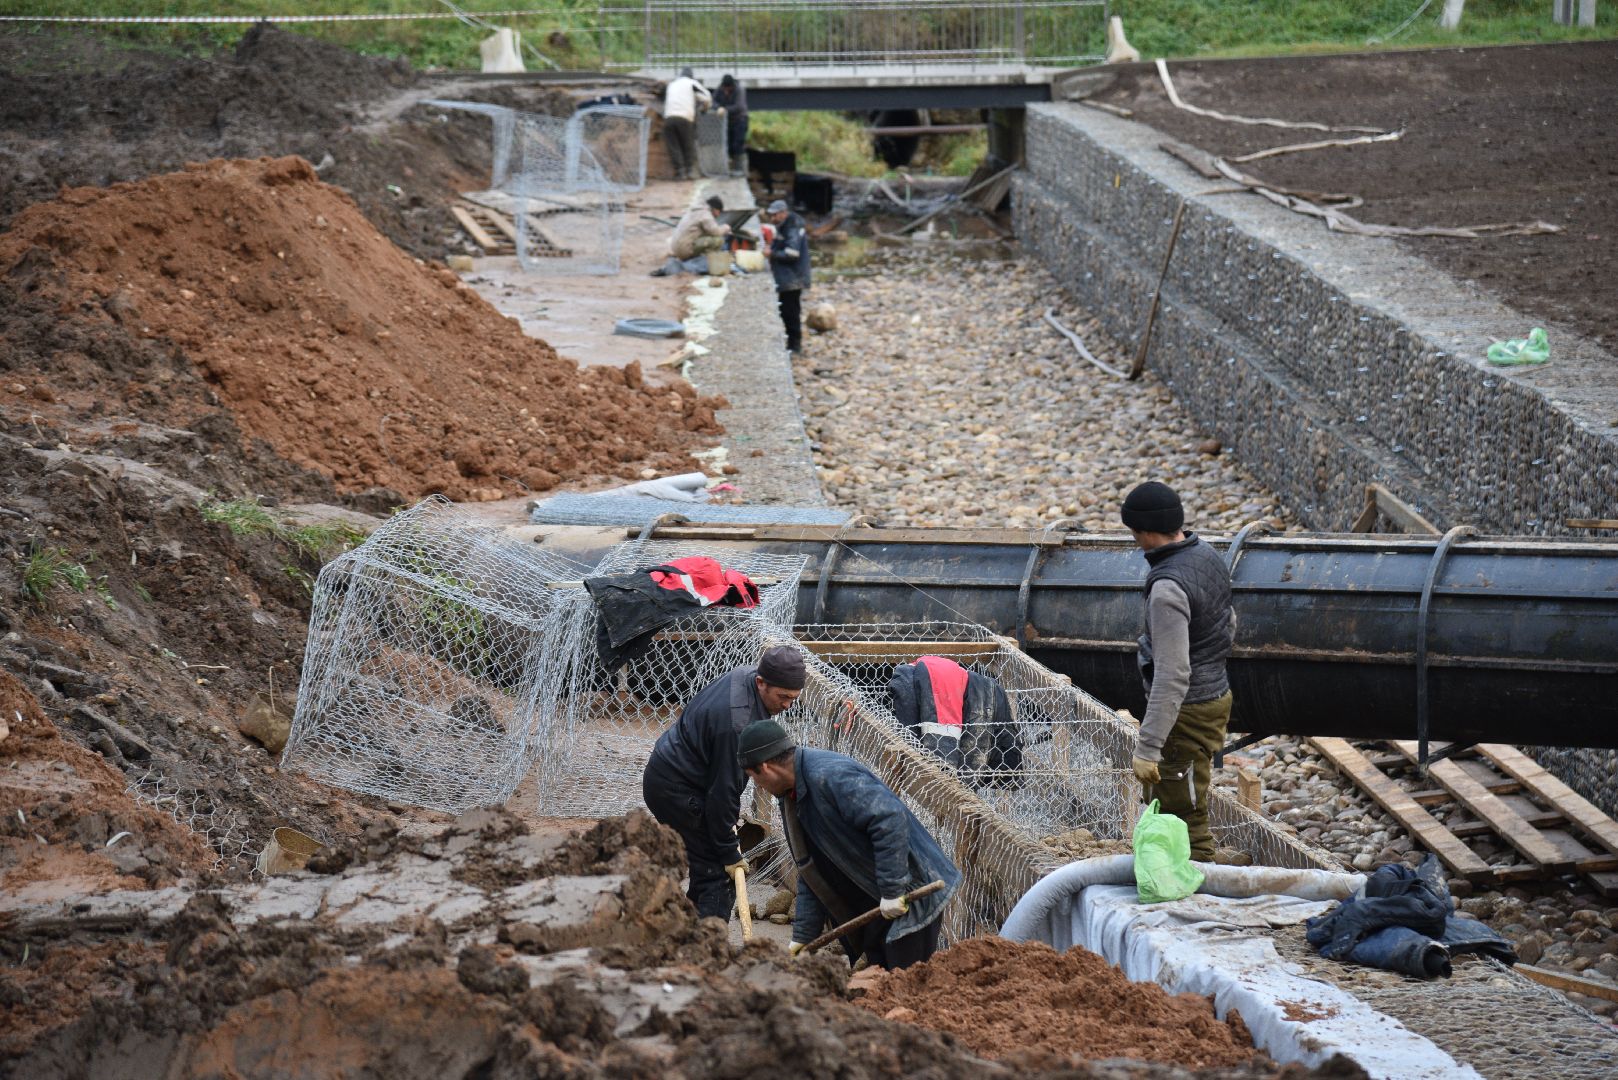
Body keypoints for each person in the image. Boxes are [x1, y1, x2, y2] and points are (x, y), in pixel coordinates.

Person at [740, 719, 961, 970]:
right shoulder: (792, 796)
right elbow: (811, 870)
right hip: (873, 899)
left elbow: (889, 820)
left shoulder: (830, 776)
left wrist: (892, 890)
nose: (758, 786)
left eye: (754, 778)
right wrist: (803, 937)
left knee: (905, 983)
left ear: (766, 768)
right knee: (879, 982)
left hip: (910, 892)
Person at [641, 646, 805, 920]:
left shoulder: (746, 676)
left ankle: (689, 929)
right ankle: (708, 948)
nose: (788, 705)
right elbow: (723, 793)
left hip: (673, 773)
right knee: (718, 874)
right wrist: (729, 851)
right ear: (761, 683)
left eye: (794, 698)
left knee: (706, 864)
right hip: (677, 789)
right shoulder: (738, 726)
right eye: (783, 697)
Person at [1121, 481, 1235, 862]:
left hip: (1186, 710)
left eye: (1135, 534)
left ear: (1146, 532)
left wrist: (1149, 747)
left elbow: (1172, 674)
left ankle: (1192, 886)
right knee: (1192, 791)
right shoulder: (1205, 555)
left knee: (1180, 811)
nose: (1135, 542)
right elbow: (1227, 623)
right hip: (1216, 694)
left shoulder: (1168, 588)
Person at [886, 654, 1021, 781]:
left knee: (959, 772)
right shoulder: (914, 677)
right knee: (961, 774)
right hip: (976, 693)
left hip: (978, 697)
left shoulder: (912, 676)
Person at [766, 199, 811, 354]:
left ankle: (795, 345)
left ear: (784, 213)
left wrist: (772, 253)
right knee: (786, 310)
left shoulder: (792, 226)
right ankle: (792, 342)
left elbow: (792, 253)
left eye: (775, 215)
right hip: (787, 276)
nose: (772, 219)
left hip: (793, 277)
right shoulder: (784, 225)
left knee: (791, 311)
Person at [662, 66, 710, 181]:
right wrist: (704, 109)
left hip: (669, 118)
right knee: (688, 145)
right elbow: (706, 97)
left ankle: (680, 172)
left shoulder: (672, 84)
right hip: (685, 118)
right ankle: (690, 171)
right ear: (691, 76)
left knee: (674, 146)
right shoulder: (692, 83)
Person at [668, 195, 731, 261]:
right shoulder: (705, 215)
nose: (718, 215)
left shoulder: (695, 210)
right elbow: (716, 232)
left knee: (709, 236)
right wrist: (726, 227)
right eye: (719, 212)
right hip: (684, 251)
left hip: (676, 249)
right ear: (715, 209)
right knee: (718, 240)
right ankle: (706, 261)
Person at [712, 74, 749, 176]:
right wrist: (718, 107)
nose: (726, 90)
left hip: (740, 120)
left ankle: (740, 169)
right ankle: (730, 168)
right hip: (727, 122)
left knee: (738, 143)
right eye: (725, 88)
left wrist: (725, 109)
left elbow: (739, 106)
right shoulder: (720, 89)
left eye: (728, 88)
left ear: (732, 86)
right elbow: (713, 101)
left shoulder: (739, 90)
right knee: (728, 144)